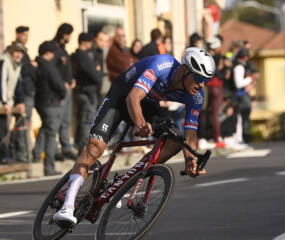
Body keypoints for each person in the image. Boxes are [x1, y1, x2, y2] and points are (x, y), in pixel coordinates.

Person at [53, 47, 216, 224]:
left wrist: (190, 161)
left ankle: (131, 179)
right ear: (184, 70)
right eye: (199, 78)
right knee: (95, 148)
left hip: (147, 103)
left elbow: (190, 131)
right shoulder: (162, 65)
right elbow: (132, 98)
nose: (202, 85)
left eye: (206, 80)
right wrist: (140, 123)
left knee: (176, 140)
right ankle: (67, 206)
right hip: (122, 96)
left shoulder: (197, 96)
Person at [34, 41, 66, 175]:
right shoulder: (48, 66)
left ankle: (36, 157)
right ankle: (49, 167)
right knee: (52, 134)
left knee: (45, 129)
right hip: (51, 102)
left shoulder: (36, 64)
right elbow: (58, 83)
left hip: (40, 102)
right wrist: (63, 94)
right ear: (48, 53)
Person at [71, 33, 102, 154]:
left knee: (83, 119)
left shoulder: (76, 55)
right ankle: (84, 148)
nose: (91, 44)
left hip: (82, 91)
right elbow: (94, 74)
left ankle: (80, 146)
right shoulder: (82, 56)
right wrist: (97, 71)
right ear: (85, 42)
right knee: (87, 120)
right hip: (87, 92)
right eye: (90, 42)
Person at [11, 26, 37, 162]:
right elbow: (20, 72)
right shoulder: (16, 50)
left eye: (27, 35)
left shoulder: (22, 50)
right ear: (18, 35)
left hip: (26, 91)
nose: (26, 38)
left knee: (23, 123)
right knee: (22, 123)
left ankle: (23, 153)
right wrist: (32, 67)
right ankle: (21, 154)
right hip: (23, 93)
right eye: (24, 35)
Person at [52, 23, 77, 161]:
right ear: (64, 34)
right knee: (57, 121)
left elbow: (65, 69)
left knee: (66, 120)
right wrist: (62, 85)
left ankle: (66, 148)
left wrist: (71, 79)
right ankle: (55, 151)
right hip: (59, 91)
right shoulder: (53, 48)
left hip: (68, 89)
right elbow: (53, 71)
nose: (70, 37)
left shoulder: (63, 49)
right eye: (69, 34)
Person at [0, 42, 25, 164]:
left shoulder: (17, 65)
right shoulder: (4, 62)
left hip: (7, 102)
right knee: (2, 130)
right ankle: (4, 156)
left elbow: (18, 84)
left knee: (5, 130)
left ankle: (6, 155)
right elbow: (1, 83)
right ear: (11, 52)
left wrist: (20, 101)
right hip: (3, 102)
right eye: (17, 52)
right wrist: (4, 102)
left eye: (21, 53)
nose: (19, 55)